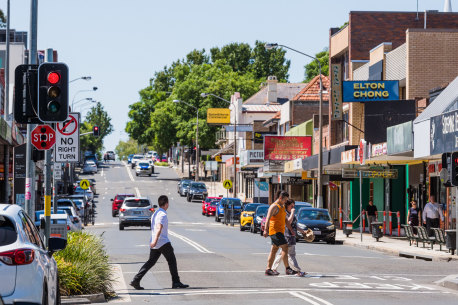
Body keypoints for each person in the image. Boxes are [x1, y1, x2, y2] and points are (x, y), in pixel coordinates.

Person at [130, 195, 188, 290]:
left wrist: (154, 241)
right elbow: (159, 227)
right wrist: (156, 240)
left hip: (156, 242)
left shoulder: (155, 213)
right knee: (172, 260)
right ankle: (176, 282)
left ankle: (136, 280)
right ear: (166, 204)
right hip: (162, 241)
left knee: (150, 262)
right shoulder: (162, 215)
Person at [263, 191, 296, 276]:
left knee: (274, 250)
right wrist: (265, 230)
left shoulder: (282, 207)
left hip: (280, 231)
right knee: (285, 247)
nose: (286, 201)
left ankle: (268, 269)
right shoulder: (274, 206)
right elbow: (268, 218)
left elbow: (285, 220)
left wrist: (291, 229)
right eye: (285, 200)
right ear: (280, 198)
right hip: (275, 231)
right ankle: (288, 269)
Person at [272, 199, 307, 276]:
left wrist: (303, 231)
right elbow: (288, 222)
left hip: (292, 237)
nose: (293, 207)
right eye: (292, 205)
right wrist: (292, 213)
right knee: (291, 255)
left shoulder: (291, 213)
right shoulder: (285, 213)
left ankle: (273, 268)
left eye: (294, 206)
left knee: (282, 254)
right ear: (287, 205)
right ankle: (297, 271)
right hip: (287, 236)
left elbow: (294, 225)